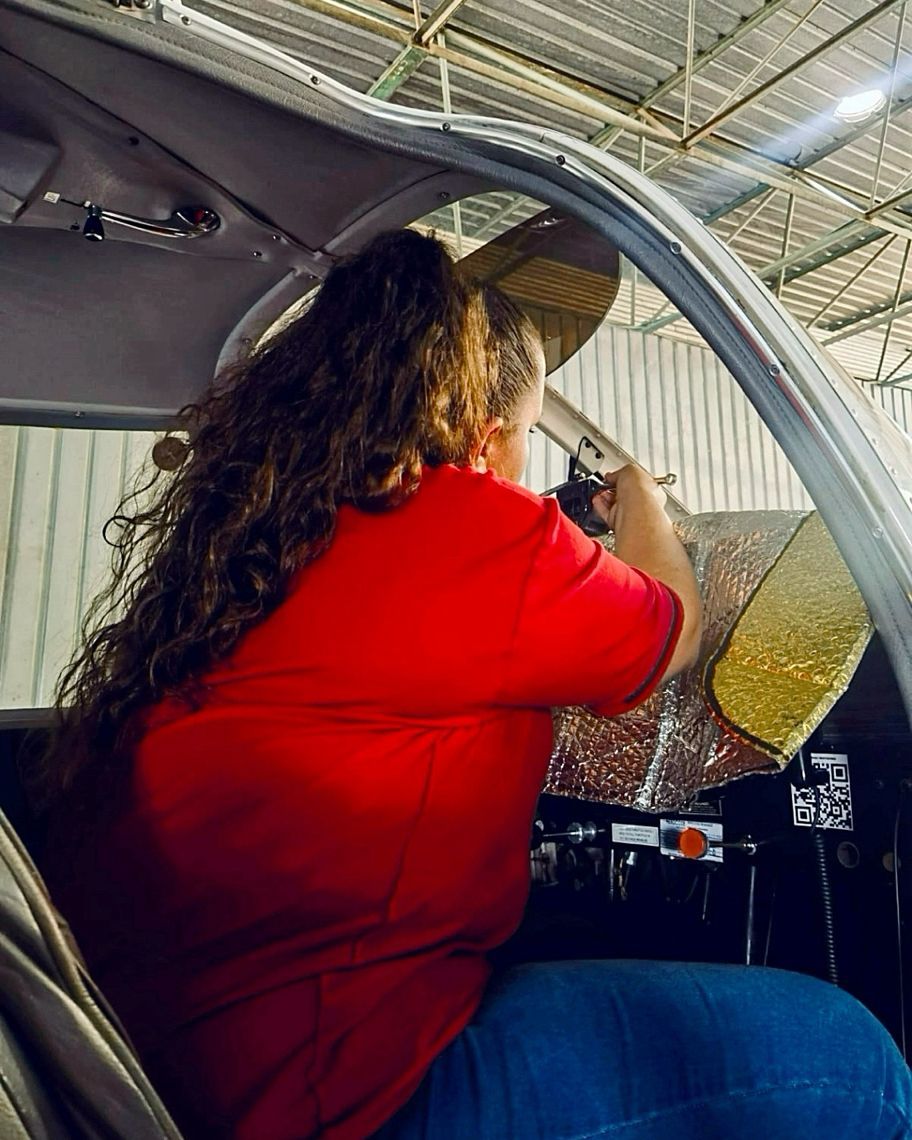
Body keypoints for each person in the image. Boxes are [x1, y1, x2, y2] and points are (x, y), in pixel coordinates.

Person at [37, 230, 908, 1140]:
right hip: (325, 1097)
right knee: (858, 1063)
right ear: (488, 436)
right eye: (531, 433)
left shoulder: (258, 529)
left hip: (168, 1049)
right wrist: (644, 503)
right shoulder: (471, 526)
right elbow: (676, 631)